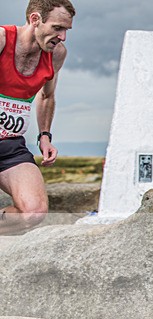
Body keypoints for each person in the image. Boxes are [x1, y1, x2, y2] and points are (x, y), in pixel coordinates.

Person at [0, 0, 74, 234]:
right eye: (57, 28)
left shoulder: (56, 54)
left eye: (66, 30)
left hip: (10, 146)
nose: (62, 37)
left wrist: (44, 136)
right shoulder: (2, 40)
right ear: (35, 20)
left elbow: (46, 96)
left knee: (34, 212)